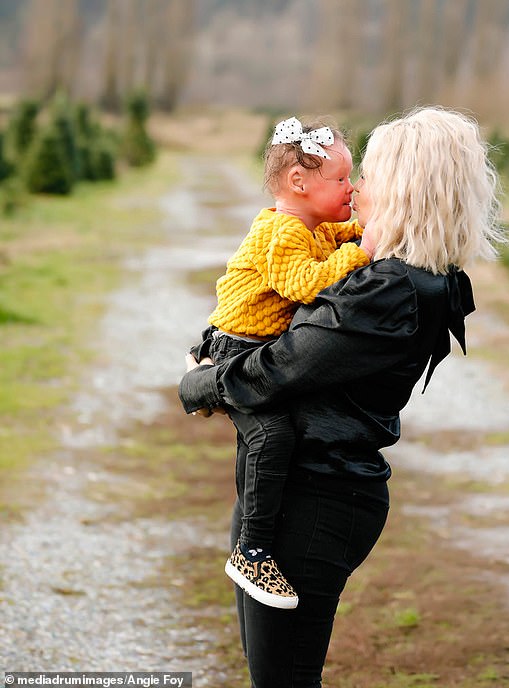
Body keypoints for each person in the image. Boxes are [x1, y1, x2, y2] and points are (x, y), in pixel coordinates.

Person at [179, 106, 505, 688]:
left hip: (315, 497)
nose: (357, 189)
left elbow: (280, 368)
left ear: (406, 189)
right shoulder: (410, 275)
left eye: (371, 176)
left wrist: (198, 381)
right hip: (307, 488)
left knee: (283, 679)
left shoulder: (388, 289)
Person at [189, 116, 372, 610]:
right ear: (299, 182)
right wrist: (366, 252)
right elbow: (308, 285)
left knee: (279, 430)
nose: (351, 188)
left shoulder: (315, 224)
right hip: (238, 347)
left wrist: (375, 229)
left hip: (258, 344)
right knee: (272, 436)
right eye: (341, 180)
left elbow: (348, 234)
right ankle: (251, 551)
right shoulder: (282, 232)